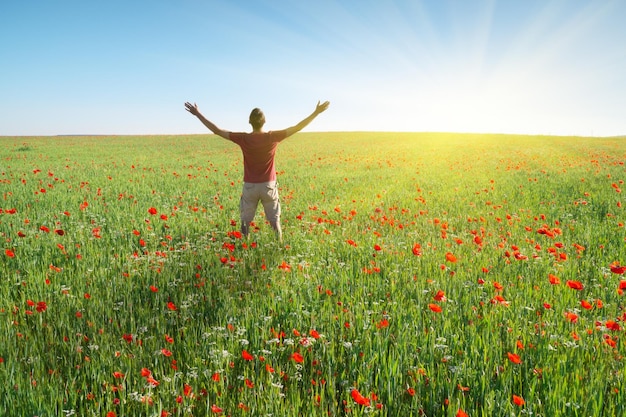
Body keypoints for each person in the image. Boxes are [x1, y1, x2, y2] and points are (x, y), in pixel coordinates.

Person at [184, 100, 330, 241]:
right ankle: (278, 248)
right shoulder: (273, 137)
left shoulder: (243, 139)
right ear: (264, 121)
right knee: (275, 223)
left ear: (249, 122)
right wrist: (315, 113)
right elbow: (297, 127)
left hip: (250, 186)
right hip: (269, 186)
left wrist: (198, 114)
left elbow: (217, 130)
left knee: (245, 223)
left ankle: (244, 248)